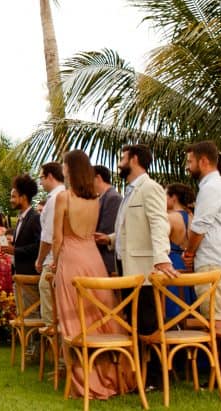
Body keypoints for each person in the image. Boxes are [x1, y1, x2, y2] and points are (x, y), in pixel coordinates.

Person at [52, 149, 133, 399]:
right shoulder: (95, 199)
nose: (63, 169)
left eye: (65, 165)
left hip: (72, 259)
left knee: (74, 320)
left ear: (70, 169)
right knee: (100, 316)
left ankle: (84, 378)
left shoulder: (64, 198)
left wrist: (54, 265)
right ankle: (112, 373)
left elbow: (57, 237)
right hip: (94, 259)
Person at [94, 144, 176, 390]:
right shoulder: (129, 191)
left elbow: (159, 224)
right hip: (126, 267)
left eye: (122, 158)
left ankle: (158, 378)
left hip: (144, 269)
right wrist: (109, 239)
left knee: (148, 325)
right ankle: (141, 376)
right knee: (135, 323)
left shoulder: (149, 188)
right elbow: (131, 230)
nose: (119, 162)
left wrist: (162, 256)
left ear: (135, 159)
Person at [182, 141, 221, 384]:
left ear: (204, 161)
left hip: (214, 262)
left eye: (190, 161)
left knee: (217, 321)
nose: (187, 167)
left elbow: (199, 227)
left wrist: (189, 252)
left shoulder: (211, 188)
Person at [0, 174, 41, 317]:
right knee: (22, 315)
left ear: (23, 197)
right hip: (20, 275)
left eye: (13, 196)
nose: (11, 200)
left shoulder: (35, 217)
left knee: (31, 315)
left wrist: (15, 250)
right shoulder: (20, 219)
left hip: (30, 276)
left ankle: (32, 340)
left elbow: (39, 246)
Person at [35, 162, 66, 327]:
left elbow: (49, 236)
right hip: (67, 257)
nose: (40, 182)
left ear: (50, 176)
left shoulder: (55, 199)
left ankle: (55, 346)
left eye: (41, 177)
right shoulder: (69, 194)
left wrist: (39, 260)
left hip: (53, 260)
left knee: (50, 309)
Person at [164, 183, 196, 318]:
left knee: (172, 305)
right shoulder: (192, 217)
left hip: (172, 263)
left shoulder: (170, 218)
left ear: (174, 198)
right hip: (188, 264)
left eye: (165, 194)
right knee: (188, 305)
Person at [93, 165, 122, 276]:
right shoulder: (102, 198)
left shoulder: (112, 197)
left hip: (107, 260)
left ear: (98, 178)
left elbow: (105, 232)